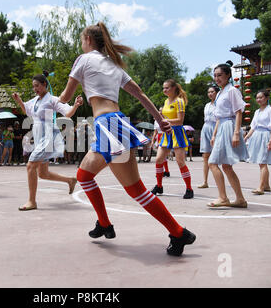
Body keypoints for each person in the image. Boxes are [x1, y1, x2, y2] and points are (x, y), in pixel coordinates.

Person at [58, 22, 195, 256]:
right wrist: (160, 120)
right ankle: (104, 223)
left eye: (82, 40)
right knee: (84, 174)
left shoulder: (83, 59)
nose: (81, 44)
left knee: (137, 191)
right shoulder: (113, 64)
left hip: (109, 126)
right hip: (111, 125)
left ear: (88, 40)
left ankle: (179, 232)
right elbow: (140, 93)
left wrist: (50, 101)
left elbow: (65, 97)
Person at [12, 71, 84, 211]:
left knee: (30, 166)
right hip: (39, 136)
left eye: (37, 86)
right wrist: (19, 100)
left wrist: (75, 105)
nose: (35, 89)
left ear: (44, 84)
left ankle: (32, 201)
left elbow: (68, 113)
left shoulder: (52, 100)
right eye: (34, 87)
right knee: (43, 174)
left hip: (48, 136)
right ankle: (70, 180)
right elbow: (27, 111)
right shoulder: (35, 101)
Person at [207, 61, 249, 208]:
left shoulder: (232, 90)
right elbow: (219, 117)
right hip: (222, 126)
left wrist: (237, 132)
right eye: (215, 75)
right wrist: (214, 134)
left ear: (228, 75)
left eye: (220, 75)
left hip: (229, 126)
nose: (217, 78)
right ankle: (240, 199)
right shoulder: (220, 93)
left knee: (212, 163)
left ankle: (223, 197)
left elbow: (238, 112)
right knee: (226, 166)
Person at [152, 80, 194, 199]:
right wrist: (162, 120)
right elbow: (165, 117)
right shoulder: (166, 101)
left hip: (177, 133)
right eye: (163, 88)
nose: (164, 90)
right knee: (159, 159)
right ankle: (159, 186)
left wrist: (164, 121)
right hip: (167, 133)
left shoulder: (179, 101)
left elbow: (180, 121)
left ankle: (189, 189)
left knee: (180, 162)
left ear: (174, 88)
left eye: (166, 88)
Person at [244, 89, 271, 194]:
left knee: (263, 162)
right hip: (257, 136)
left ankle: (261, 187)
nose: (258, 99)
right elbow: (253, 127)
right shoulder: (257, 111)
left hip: (266, 136)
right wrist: (246, 137)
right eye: (257, 97)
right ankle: (266, 185)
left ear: (266, 98)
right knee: (261, 162)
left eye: (261, 97)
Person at [198, 86, 218, 189]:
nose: (210, 94)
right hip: (206, 127)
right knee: (205, 156)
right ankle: (205, 181)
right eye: (209, 92)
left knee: (215, 157)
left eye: (212, 92)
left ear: (216, 93)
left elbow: (219, 119)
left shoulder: (219, 104)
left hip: (216, 128)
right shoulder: (206, 105)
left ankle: (218, 180)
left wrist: (214, 134)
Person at [151, 113, 170, 177]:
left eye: (161, 111)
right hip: (159, 137)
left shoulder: (166, 119)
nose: (160, 112)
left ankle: (165, 171)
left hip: (164, 135)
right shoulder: (156, 121)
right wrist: (152, 141)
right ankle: (166, 171)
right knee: (161, 156)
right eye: (159, 111)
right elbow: (155, 132)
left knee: (162, 156)